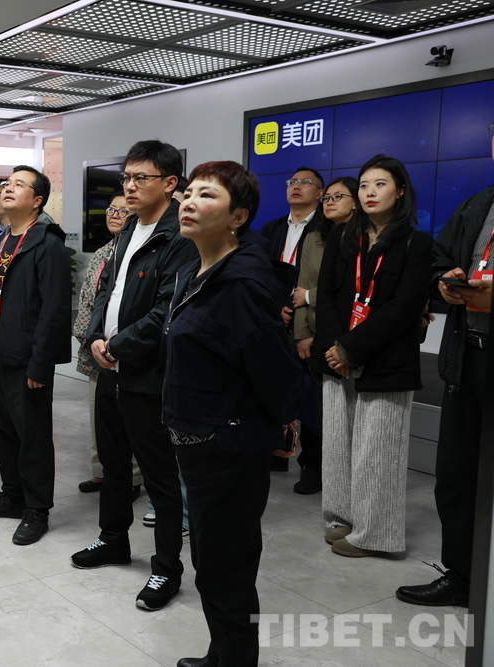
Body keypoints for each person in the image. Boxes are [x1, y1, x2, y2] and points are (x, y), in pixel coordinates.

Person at [164, 161, 300, 667]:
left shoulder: (242, 285)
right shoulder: (194, 271)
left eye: (207, 195)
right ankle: (222, 654)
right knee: (211, 560)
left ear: (238, 217)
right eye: (189, 193)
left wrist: (284, 423)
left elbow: (274, 366)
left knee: (227, 568)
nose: (190, 202)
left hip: (229, 443)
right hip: (198, 439)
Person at [72, 140, 196, 613]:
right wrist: (95, 338)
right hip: (111, 366)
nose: (129, 186)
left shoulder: (178, 236)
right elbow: (107, 289)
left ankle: (167, 567)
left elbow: (168, 310)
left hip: (148, 372)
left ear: (170, 183)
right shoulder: (129, 229)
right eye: (126, 177)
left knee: (160, 477)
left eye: (141, 177)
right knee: (113, 464)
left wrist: (118, 345)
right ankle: (113, 539)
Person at [313, 154, 434, 558]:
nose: (369, 192)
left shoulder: (417, 243)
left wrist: (352, 347)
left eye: (380, 184)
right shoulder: (343, 237)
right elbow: (327, 295)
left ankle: (375, 534)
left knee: (377, 451)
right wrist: (335, 347)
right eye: (364, 185)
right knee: (338, 444)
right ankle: (342, 517)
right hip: (337, 356)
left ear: (400, 192)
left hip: (386, 358)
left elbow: (404, 307)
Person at [396, 122, 494, 608]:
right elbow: (439, 256)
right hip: (467, 356)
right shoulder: (479, 204)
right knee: (457, 474)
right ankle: (462, 575)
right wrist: (444, 280)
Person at [0, 165, 71, 545]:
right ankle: (12, 495)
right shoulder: (0, 243)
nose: (8, 189)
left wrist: (41, 362)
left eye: (19, 185)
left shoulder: (47, 244)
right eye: (7, 183)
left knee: (33, 436)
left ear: (37, 200)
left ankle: (36, 509)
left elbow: (54, 310)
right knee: (4, 430)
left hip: (27, 358)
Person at [290, 176, 358, 493]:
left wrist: (309, 296)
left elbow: (349, 289)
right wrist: (302, 334)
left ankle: (345, 474)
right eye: (327, 198)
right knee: (316, 408)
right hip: (316, 333)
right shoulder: (315, 237)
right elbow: (300, 288)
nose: (329, 203)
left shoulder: (366, 238)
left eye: (337, 197)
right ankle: (313, 468)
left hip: (352, 334)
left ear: (356, 202)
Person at [73, 195, 143, 495]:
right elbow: (89, 302)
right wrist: (90, 339)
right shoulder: (102, 252)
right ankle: (101, 471)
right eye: (111, 209)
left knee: (130, 420)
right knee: (98, 417)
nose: (114, 214)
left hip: (125, 351)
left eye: (123, 211)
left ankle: (133, 478)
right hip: (95, 348)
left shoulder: (139, 250)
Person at [261, 167, 325, 473]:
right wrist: (276, 306)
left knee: (309, 395)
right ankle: (275, 453)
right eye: (292, 181)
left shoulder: (326, 229)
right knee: (272, 387)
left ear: (320, 193)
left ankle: (311, 466)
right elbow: (261, 275)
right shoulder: (271, 229)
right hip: (274, 318)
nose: (296, 186)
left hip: (309, 320)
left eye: (305, 182)